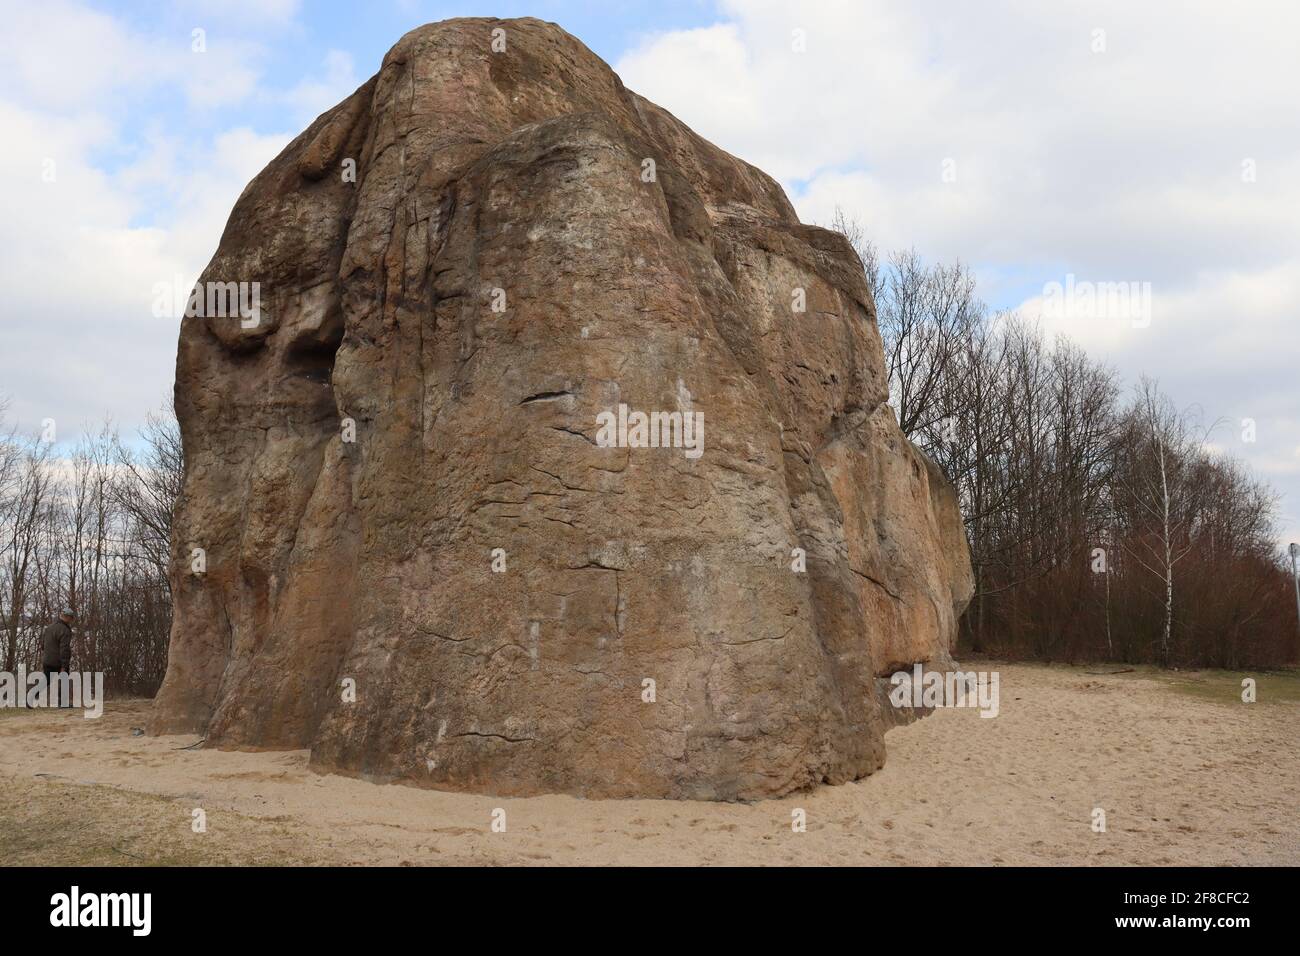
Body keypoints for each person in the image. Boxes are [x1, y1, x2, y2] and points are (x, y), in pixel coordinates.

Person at [40, 609, 74, 708]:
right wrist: (64, 665)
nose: (72, 620)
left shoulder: (49, 628)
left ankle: (30, 696)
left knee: (46, 680)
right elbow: (64, 649)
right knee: (64, 680)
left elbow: (42, 645)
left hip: (47, 660)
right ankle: (63, 703)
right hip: (58, 661)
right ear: (67, 617)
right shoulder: (65, 630)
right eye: (71, 618)